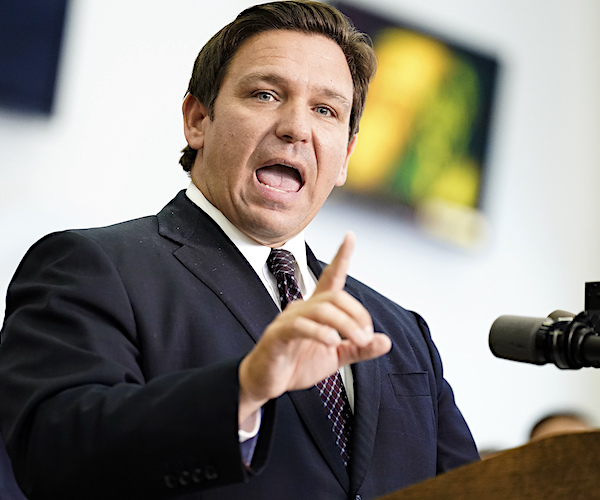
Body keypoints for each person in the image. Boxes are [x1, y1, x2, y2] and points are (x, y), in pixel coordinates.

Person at [0, 2, 479, 499]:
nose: (296, 127)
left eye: (325, 110)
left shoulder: (401, 333)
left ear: (346, 157)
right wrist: (243, 389)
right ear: (198, 120)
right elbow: (53, 455)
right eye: (266, 94)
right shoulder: (90, 267)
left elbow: (474, 490)